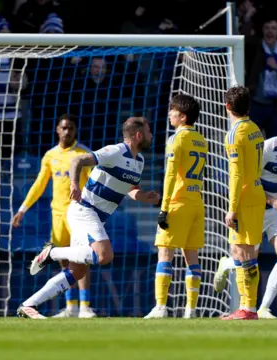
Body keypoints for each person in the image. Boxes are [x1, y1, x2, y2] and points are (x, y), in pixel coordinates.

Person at [17, 117, 160, 319]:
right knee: (104, 256)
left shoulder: (139, 161)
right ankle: (53, 252)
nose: (151, 135)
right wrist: (75, 184)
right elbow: (78, 160)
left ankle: (28, 305)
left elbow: (130, 190)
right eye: (148, 131)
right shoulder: (115, 151)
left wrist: (144, 196)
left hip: (95, 216)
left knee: (76, 273)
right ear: (138, 135)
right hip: (85, 210)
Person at [12, 114, 96, 318]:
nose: (67, 131)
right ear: (57, 130)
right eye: (64, 128)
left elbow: (94, 185)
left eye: (71, 128)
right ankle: (70, 307)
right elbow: (39, 184)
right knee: (64, 261)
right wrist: (23, 209)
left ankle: (85, 306)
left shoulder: (84, 155)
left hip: (79, 215)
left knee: (82, 259)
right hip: (58, 216)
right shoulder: (50, 156)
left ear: (75, 131)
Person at [214, 113, 277, 319]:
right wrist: (272, 200)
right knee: (249, 258)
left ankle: (264, 308)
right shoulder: (267, 148)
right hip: (255, 206)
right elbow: (250, 181)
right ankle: (227, 264)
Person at [144, 94, 207, 319]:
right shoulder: (201, 139)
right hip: (197, 202)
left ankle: (161, 307)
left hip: (178, 203)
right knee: (192, 257)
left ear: (182, 116)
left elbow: (171, 175)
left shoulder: (176, 139)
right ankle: (191, 310)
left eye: (173, 111)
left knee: (165, 252)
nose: (169, 114)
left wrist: (164, 207)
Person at [220, 85, 265, 321]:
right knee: (238, 251)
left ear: (228, 106)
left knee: (246, 252)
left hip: (245, 197)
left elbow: (236, 175)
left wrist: (232, 208)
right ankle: (245, 308)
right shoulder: (254, 128)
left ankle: (249, 308)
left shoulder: (235, 133)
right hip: (256, 192)